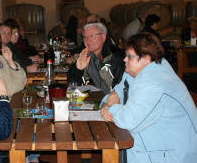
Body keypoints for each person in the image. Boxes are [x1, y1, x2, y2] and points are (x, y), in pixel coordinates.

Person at [100, 33, 197, 163]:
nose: (124, 60)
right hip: (149, 147)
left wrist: (109, 108)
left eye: (129, 56)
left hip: (172, 155)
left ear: (145, 58)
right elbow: (113, 95)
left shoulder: (155, 81)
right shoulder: (134, 73)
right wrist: (107, 104)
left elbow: (128, 120)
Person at [67, 22, 125, 94]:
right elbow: (72, 85)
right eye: (85, 37)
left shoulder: (116, 57)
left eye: (92, 36)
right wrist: (78, 69)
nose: (88, 40)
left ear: (103, 36)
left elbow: (122, 90)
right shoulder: (87, 55)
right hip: (98, 98)